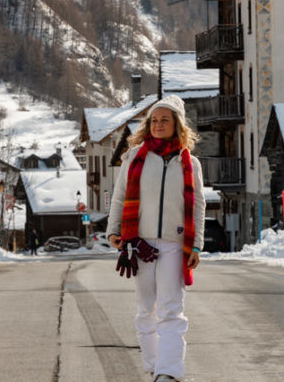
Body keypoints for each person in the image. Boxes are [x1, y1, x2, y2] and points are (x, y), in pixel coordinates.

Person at [107, 95, 205, 382]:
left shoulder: (190, 162)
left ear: (177, 124)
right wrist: (114, 231)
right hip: (141, 244)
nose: (158, 124)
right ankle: (153, 365)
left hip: (175, 244)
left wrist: (196, 244)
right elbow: (119, 197)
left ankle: (169, 372)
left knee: (171, 310)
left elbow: (198, 204)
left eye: (165, 119)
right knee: (146, 310)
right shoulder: (134, 157)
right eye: (154, 120)